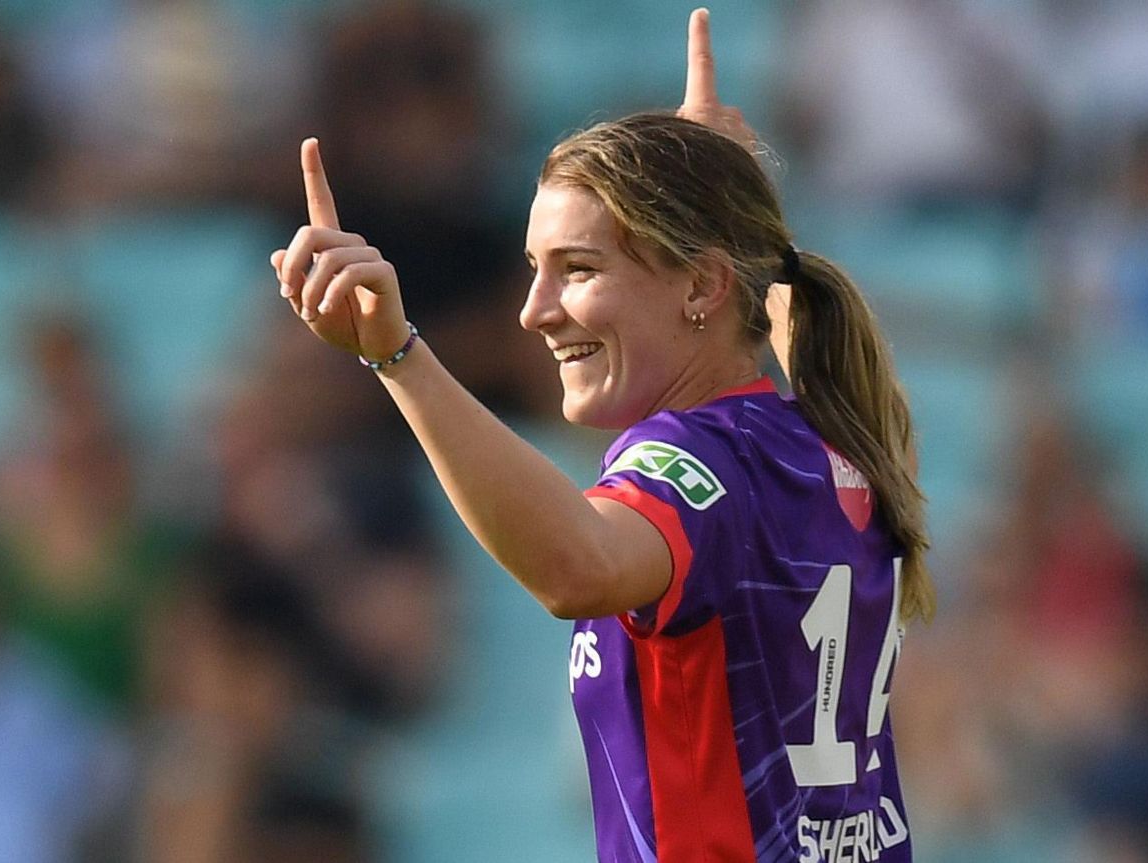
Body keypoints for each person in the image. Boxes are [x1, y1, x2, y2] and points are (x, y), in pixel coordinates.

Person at [271, 10, 933, 861]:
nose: (534, 310)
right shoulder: (849, 443)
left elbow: (576, 564)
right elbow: (780, 320)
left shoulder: (695, 460)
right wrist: (738, 206)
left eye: (577, 270)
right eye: (536, 267)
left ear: (700, 283)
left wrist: (399, 357)